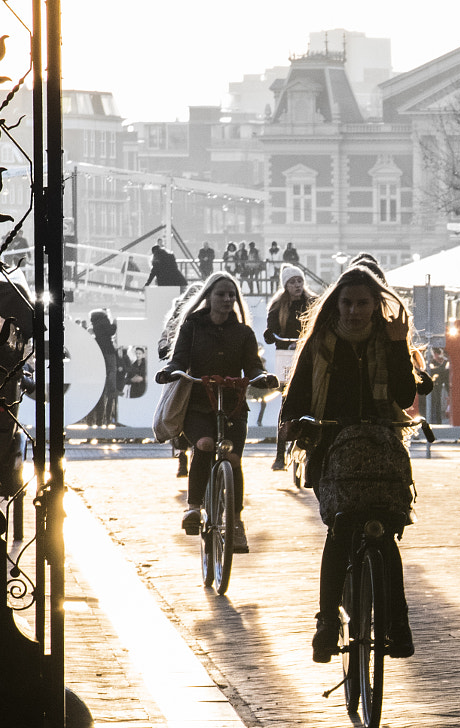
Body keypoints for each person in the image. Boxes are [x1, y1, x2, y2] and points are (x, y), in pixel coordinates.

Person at [281, 268, 419, 663]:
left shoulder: (389, 340)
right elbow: (298, 394)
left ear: (377, 305)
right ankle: (326, 622)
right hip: (330, 448)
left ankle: (398, 623)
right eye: (347, 303)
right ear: (335, 304)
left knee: (384, 531)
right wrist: (294, 425)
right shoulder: (320, 342)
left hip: (381, 447)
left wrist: (396, 347)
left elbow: (405, 395)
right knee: (341, 529)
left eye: (362, 303)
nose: (354, 311)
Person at [161, 271, 267, 550]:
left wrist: (261, 376)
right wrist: (170, 371)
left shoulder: (243, 332)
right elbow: (179, 359)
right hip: (198, 403)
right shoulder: (192, 327)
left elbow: (252, 365)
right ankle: (193, 507)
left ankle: (235, 522)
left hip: (233, 404)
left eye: (231, 295)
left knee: (232, 459)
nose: (227, 299)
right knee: (205, 445)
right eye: (221, 294)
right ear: (208, 296)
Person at [265, 265, 313, 469]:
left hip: (308, 355)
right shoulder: (277, 306)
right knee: (286, 401)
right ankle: (279, 455)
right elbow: (271, 331)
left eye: (299, 281)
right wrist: (272, 336)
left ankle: (310, 449)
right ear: (285, 285)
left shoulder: (312, 302)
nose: (297, 285)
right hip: (286, 357)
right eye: (293, 282)